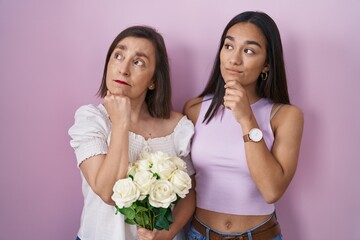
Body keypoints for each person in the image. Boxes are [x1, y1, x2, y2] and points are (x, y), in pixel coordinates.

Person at [183, 11, 304, 240]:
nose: (234, 59)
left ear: (267, 64)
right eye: (229, 46)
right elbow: (184, 186)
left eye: (249, 51)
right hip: (199, 234)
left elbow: (271, 190)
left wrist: (247, 119)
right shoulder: (194, 109)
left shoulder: (286, 116)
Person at [68, 25, 196, 240]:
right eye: (118, 56)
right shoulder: (91, 120)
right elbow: (107, 192)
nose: (123, 69)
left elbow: (188, 193)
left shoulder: (178, 127)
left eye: (138, 62)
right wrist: (121, 123)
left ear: (154, 80)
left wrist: (166, 234)